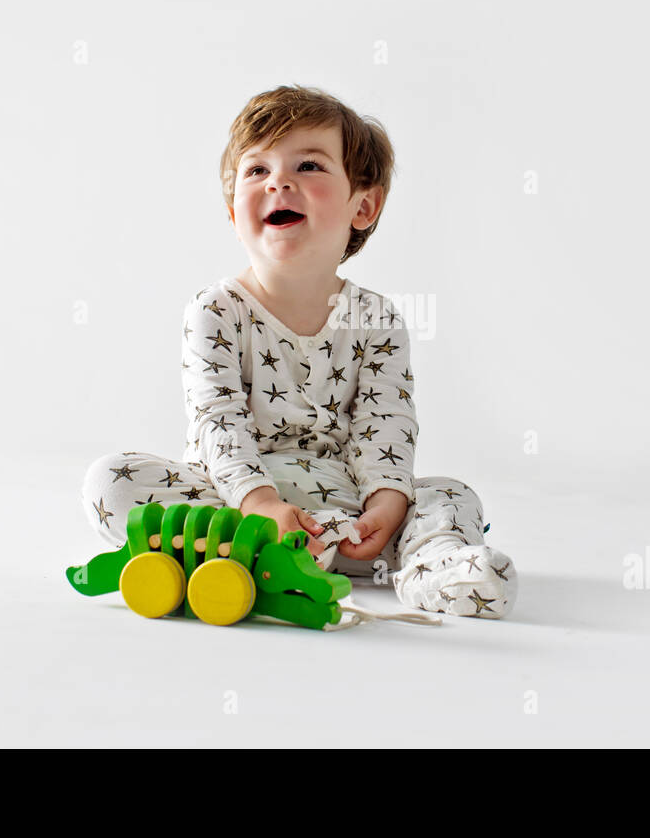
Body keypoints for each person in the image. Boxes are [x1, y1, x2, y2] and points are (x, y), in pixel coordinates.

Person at [80, 84, 517, 618]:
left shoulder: (376, 319)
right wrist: (261, 504)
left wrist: (385, 501)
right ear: (232, 212)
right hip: (235, 497)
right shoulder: (217, 310)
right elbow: (216, 420)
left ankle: (435, 569)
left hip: (342, 502)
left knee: (451, 495)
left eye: (308, 165)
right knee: (111, 479)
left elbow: (387, 421)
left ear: (363, 205)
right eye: (256, 170)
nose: (279, 181)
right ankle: (251, 548)